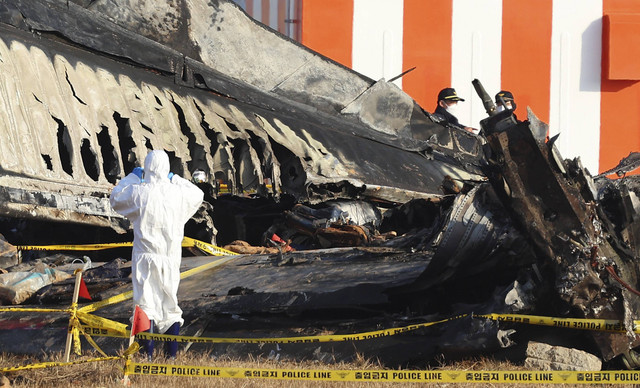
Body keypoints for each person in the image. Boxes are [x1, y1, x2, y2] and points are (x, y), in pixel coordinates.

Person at [110, 150, 204, 360]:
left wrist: (133, 176)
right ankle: (170, 358)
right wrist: (175, 179)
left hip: (145, 256)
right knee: (170, 304)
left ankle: (147, 356)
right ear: (167, 168)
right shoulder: (177, 193)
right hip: (170, 258)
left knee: (145, 304)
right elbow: (198, 194)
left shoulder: (139, 192)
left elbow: (115, 198)